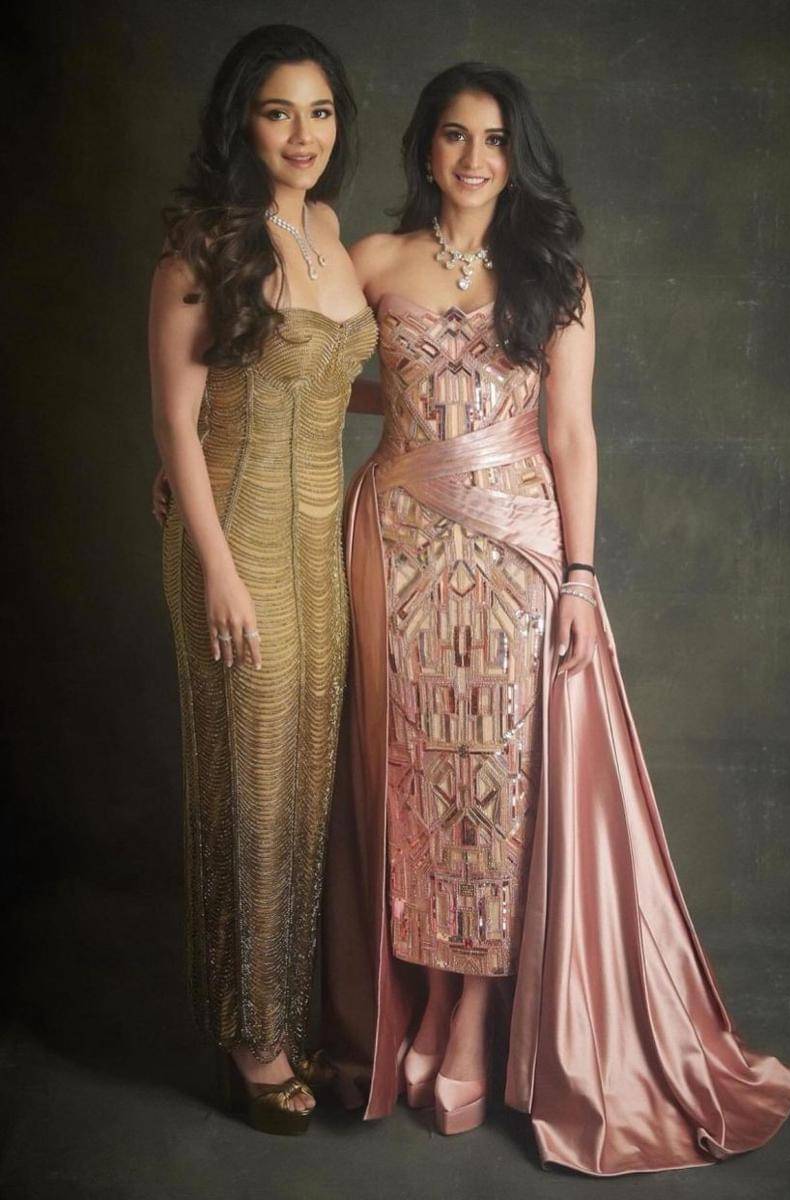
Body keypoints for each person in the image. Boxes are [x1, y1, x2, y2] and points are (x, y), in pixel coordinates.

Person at [319, 62, 790, 1174]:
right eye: (455, 135)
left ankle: (472, 1019)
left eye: (494, 139)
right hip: (397, 546)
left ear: (516, 154)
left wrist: (581, 578)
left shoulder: (555, 275)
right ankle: (427, 1001)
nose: (474, 158)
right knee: (415, 776)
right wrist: (212, 448)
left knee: (498, 780)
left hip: (517, 553)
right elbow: (309, 376)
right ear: (425, 146)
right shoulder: (373, 260)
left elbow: (572, 433)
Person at [149, 24, 376, 1136]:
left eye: (320, 112)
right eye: (279, 111)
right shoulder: (203, 244)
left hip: (322, 547)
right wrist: (218, 572)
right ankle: (249, 1042)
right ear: (243, 121)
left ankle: (284, 1011)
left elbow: (328, 377)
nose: (303, 134)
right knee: (250, 785)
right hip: (234, 538)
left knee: (302, 780)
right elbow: (175, 424)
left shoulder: (329, 230)